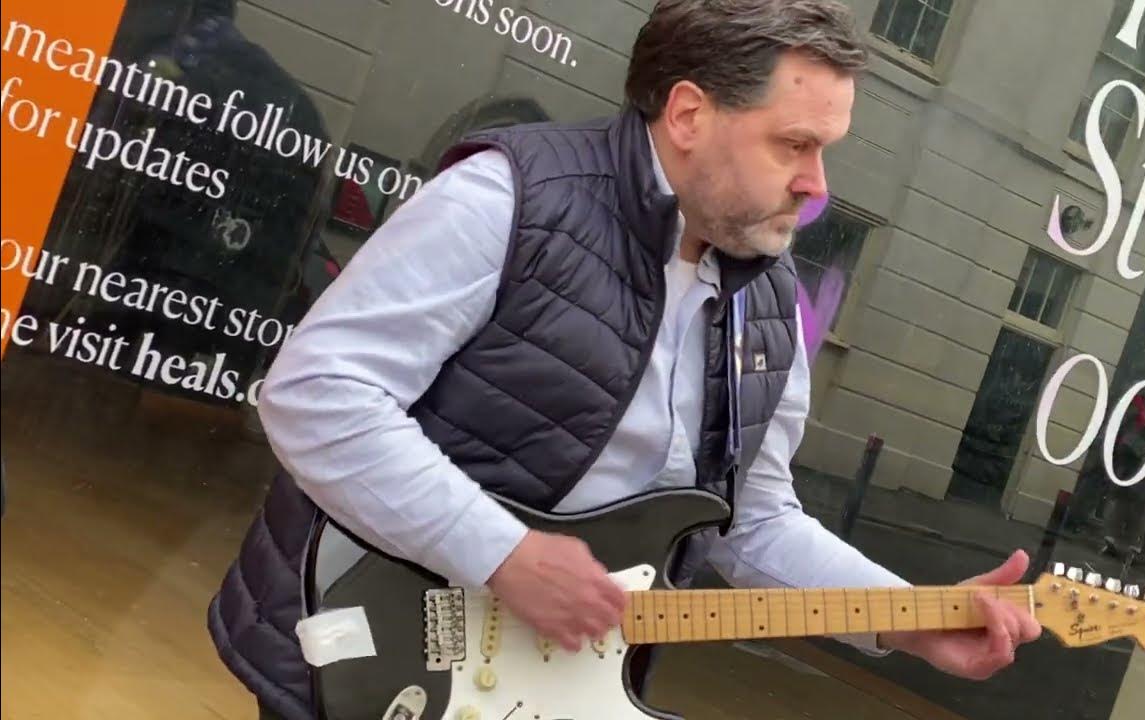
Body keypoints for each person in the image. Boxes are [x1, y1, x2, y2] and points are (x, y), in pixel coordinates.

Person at [207, 2, 1042, 718]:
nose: (816, 184)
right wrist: (501, 554)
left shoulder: (771, 299)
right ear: (687, 116)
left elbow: (750, 520)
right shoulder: (510, 199)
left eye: (827, 149)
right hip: (372, 651)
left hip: (562, 683)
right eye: (793, 144)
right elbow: (316, 393)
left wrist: (902, 617)